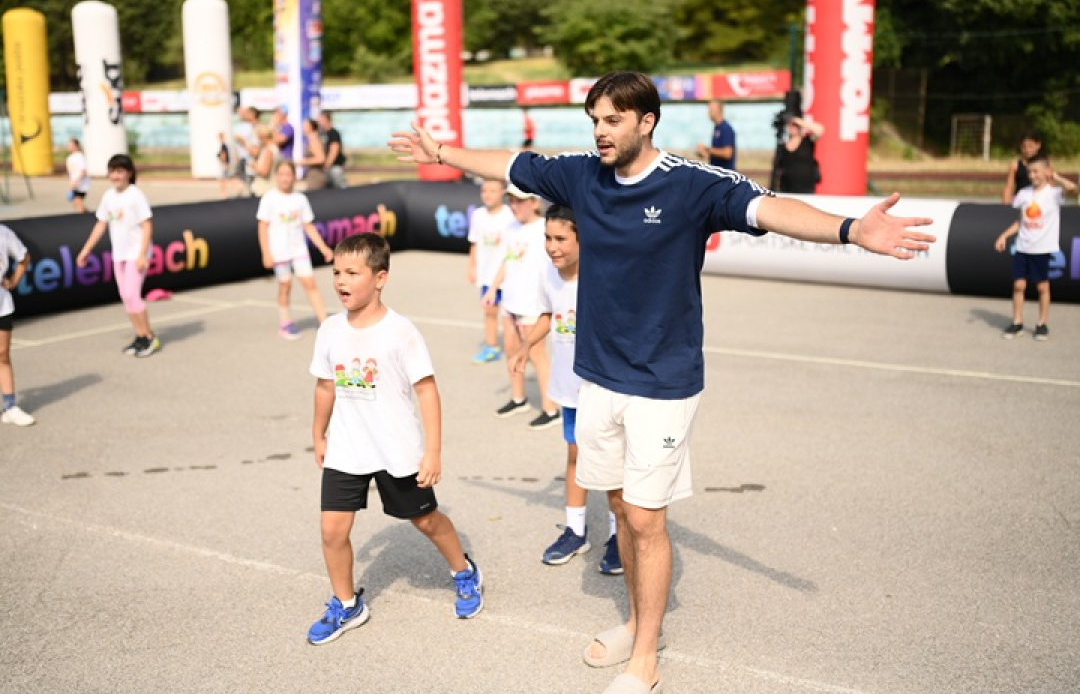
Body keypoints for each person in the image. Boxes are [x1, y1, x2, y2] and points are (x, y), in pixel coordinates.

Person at [389, 69, 935, 694]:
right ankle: (638, 623)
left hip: (663, 382)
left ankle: (644, 655)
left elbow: (769, 208)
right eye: (594, 120)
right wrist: (440, 152)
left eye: (612, 120)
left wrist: (851, 229)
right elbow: (514, 163)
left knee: (646, 521)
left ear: (646, 122)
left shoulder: (692, 186)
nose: (600, 131)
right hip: (598, 377)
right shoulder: (580, 174)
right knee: (620, 507)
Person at [306, 232, 484, 645]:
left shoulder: (400, 331)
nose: (341, 281)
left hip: (395, 447)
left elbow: (427, 390)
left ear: (380, 277)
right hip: (348, 447)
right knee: (332, 530)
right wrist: (318, 434)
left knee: (424, 520)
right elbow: (324, 387)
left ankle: (464, 572)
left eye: (352, 272)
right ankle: (347, 604)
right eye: (336, 272)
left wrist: (433, 451)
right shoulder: (330, 329)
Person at [508, 204, 622, 574]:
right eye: (547, 238)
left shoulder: (601, 276)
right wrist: (526, 346)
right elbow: (548, 315)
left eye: (561, 239)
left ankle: (620, 537)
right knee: (575, 456)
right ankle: (576, 531)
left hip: (601, 387)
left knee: (612, 465)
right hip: (568, 388)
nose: (552, 247)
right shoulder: (549, 273)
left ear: (582, 238)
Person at [482, 186, 560, 431]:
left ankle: (551, 409)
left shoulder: (543, 229)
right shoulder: (511, 228)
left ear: (535, 203)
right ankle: (518, 399)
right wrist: (494, 288)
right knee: (512, 352)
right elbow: (507, 260)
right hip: (510, 303)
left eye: (520, 202)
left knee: (537, 357)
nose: (515, 206)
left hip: (532, 305)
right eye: (512, 202)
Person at [75, 154, 161, 358]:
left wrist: (142, 254)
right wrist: (86, 249)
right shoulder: (108, 196)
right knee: (125, 297)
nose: (115, 176)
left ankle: (149, 337)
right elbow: (101, 223)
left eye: (120, 171)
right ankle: (139, 336)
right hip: (119, 254)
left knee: (132, 294)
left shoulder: (135, 195)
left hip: (135, 254)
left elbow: (147, 224)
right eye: (112, 171)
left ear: (129, 173)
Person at [994, 153, 1077, 341]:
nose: (1032, 175)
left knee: (1042, 287)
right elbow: (1021, 221)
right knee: (1018, 285)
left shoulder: (1053, 193)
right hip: (1023, 247)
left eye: (1036, 171)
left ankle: (1042, 323)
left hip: (1041, 249)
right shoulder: (1024, 194)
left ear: (1046, 171)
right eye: (1030, 172)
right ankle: (1017, 322)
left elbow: (1073, 189)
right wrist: (1004, 235)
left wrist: (1055, 177)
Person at [256, 160, 334, 340]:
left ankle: (324, 323)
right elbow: (262, 227)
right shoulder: (269, 198)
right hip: (279, 251)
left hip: (299, 249)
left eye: (288, 174)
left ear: (294, 177)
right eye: (281, 174)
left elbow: (308, 226)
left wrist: (323, 248)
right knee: (285, 285)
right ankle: (285, 323)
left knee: (310, 284)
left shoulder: (300, 199)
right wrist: (266, 253)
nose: (285, 178)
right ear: (276, 177)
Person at [466, 179, 515, 364]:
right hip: (487, 275)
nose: (488, 194)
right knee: (489, 311)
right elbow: (475, 243)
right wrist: (471, 266)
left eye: (493, 191)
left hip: (509, 275)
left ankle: (520, 348)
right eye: (484, 190)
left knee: (512, 315)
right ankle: (491, 347)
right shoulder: (478, 215)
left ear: (502, 193)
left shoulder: (510, 214)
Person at [0, 224, 35, 426]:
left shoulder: (4, 233)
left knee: (3, 355)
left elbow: (24, 258)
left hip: (2, 305)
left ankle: (10, 406)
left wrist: (13, 282)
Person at [774, 115, 826, 194]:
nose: (793, 128)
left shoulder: (807, 141)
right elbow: (779, 167)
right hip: (786, 187)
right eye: (791, 126)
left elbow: (819, 130)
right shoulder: (783, 145)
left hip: (806, 187)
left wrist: (798, 121)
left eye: (796, 126)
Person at [1001, 129, 1044, 205]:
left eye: (1030, 146)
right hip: (1021, 201)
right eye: (1024, 147)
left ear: (1038, 145)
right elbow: (1009, 186)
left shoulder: (1044, 165)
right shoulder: (1015, 165)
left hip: (1039, 202)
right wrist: (1005, 206)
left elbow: (1051, 186)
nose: (1027, 150)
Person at [695, 99, 736, 170]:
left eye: (711, 110)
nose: (708, 113)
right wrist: (705, 153)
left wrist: (707, 149)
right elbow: (717, 152)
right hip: (718, 174)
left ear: (719, 110)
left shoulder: (725, 128)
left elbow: (727, 153)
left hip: (725, 175)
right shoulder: (717, 128)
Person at [234, 105, 261, 196]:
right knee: (243, 182)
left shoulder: (257, 128)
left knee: (253, 186)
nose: (245, 115)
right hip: (245, 158)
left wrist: (243, 142)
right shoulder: (246, 126)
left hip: (253, 159)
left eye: (247, 113)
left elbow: (256, 148)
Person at [296, 118, 328, 191]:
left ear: (311, 127)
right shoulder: (313, 138)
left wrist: (303, 162)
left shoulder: (314, 139)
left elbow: (321, 159)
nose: (302, 127)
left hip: (316, 176)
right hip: (313, 175)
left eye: (305, 125)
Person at [318, 112, 348, 189]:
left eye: (321, 119)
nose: (319, 121)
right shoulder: (323, 134)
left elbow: (334, 150)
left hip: (334, 167)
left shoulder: (333, 133)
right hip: (328, 168)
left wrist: (327, 165)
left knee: (340, 189)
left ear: (327, 119)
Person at [249, 124, 279, 198]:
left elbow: (264, 172)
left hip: (264, 189)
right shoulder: (274, 148)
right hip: (270, 188)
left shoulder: (269, 150)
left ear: (263, 137)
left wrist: (254, 166)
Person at [65, 138, 90, 214]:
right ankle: (89, 215)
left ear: (76, 146)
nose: (68, 147)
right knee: (76, 204)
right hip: (75, 184)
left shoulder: (80, 157)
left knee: (78, 204)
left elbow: (83, 171)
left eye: (70, 145)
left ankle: (84, 220)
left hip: (81, 184)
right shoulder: (70, 157)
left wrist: (76, 182)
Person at [217, 132, 232, 199]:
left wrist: (223, 162)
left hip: (224, 164)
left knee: (222, 179)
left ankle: (223, 193)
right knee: (227, 178)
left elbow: (224, 155)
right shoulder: (224, 145)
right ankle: (224, 192)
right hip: (225, 163)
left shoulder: (223, 145)